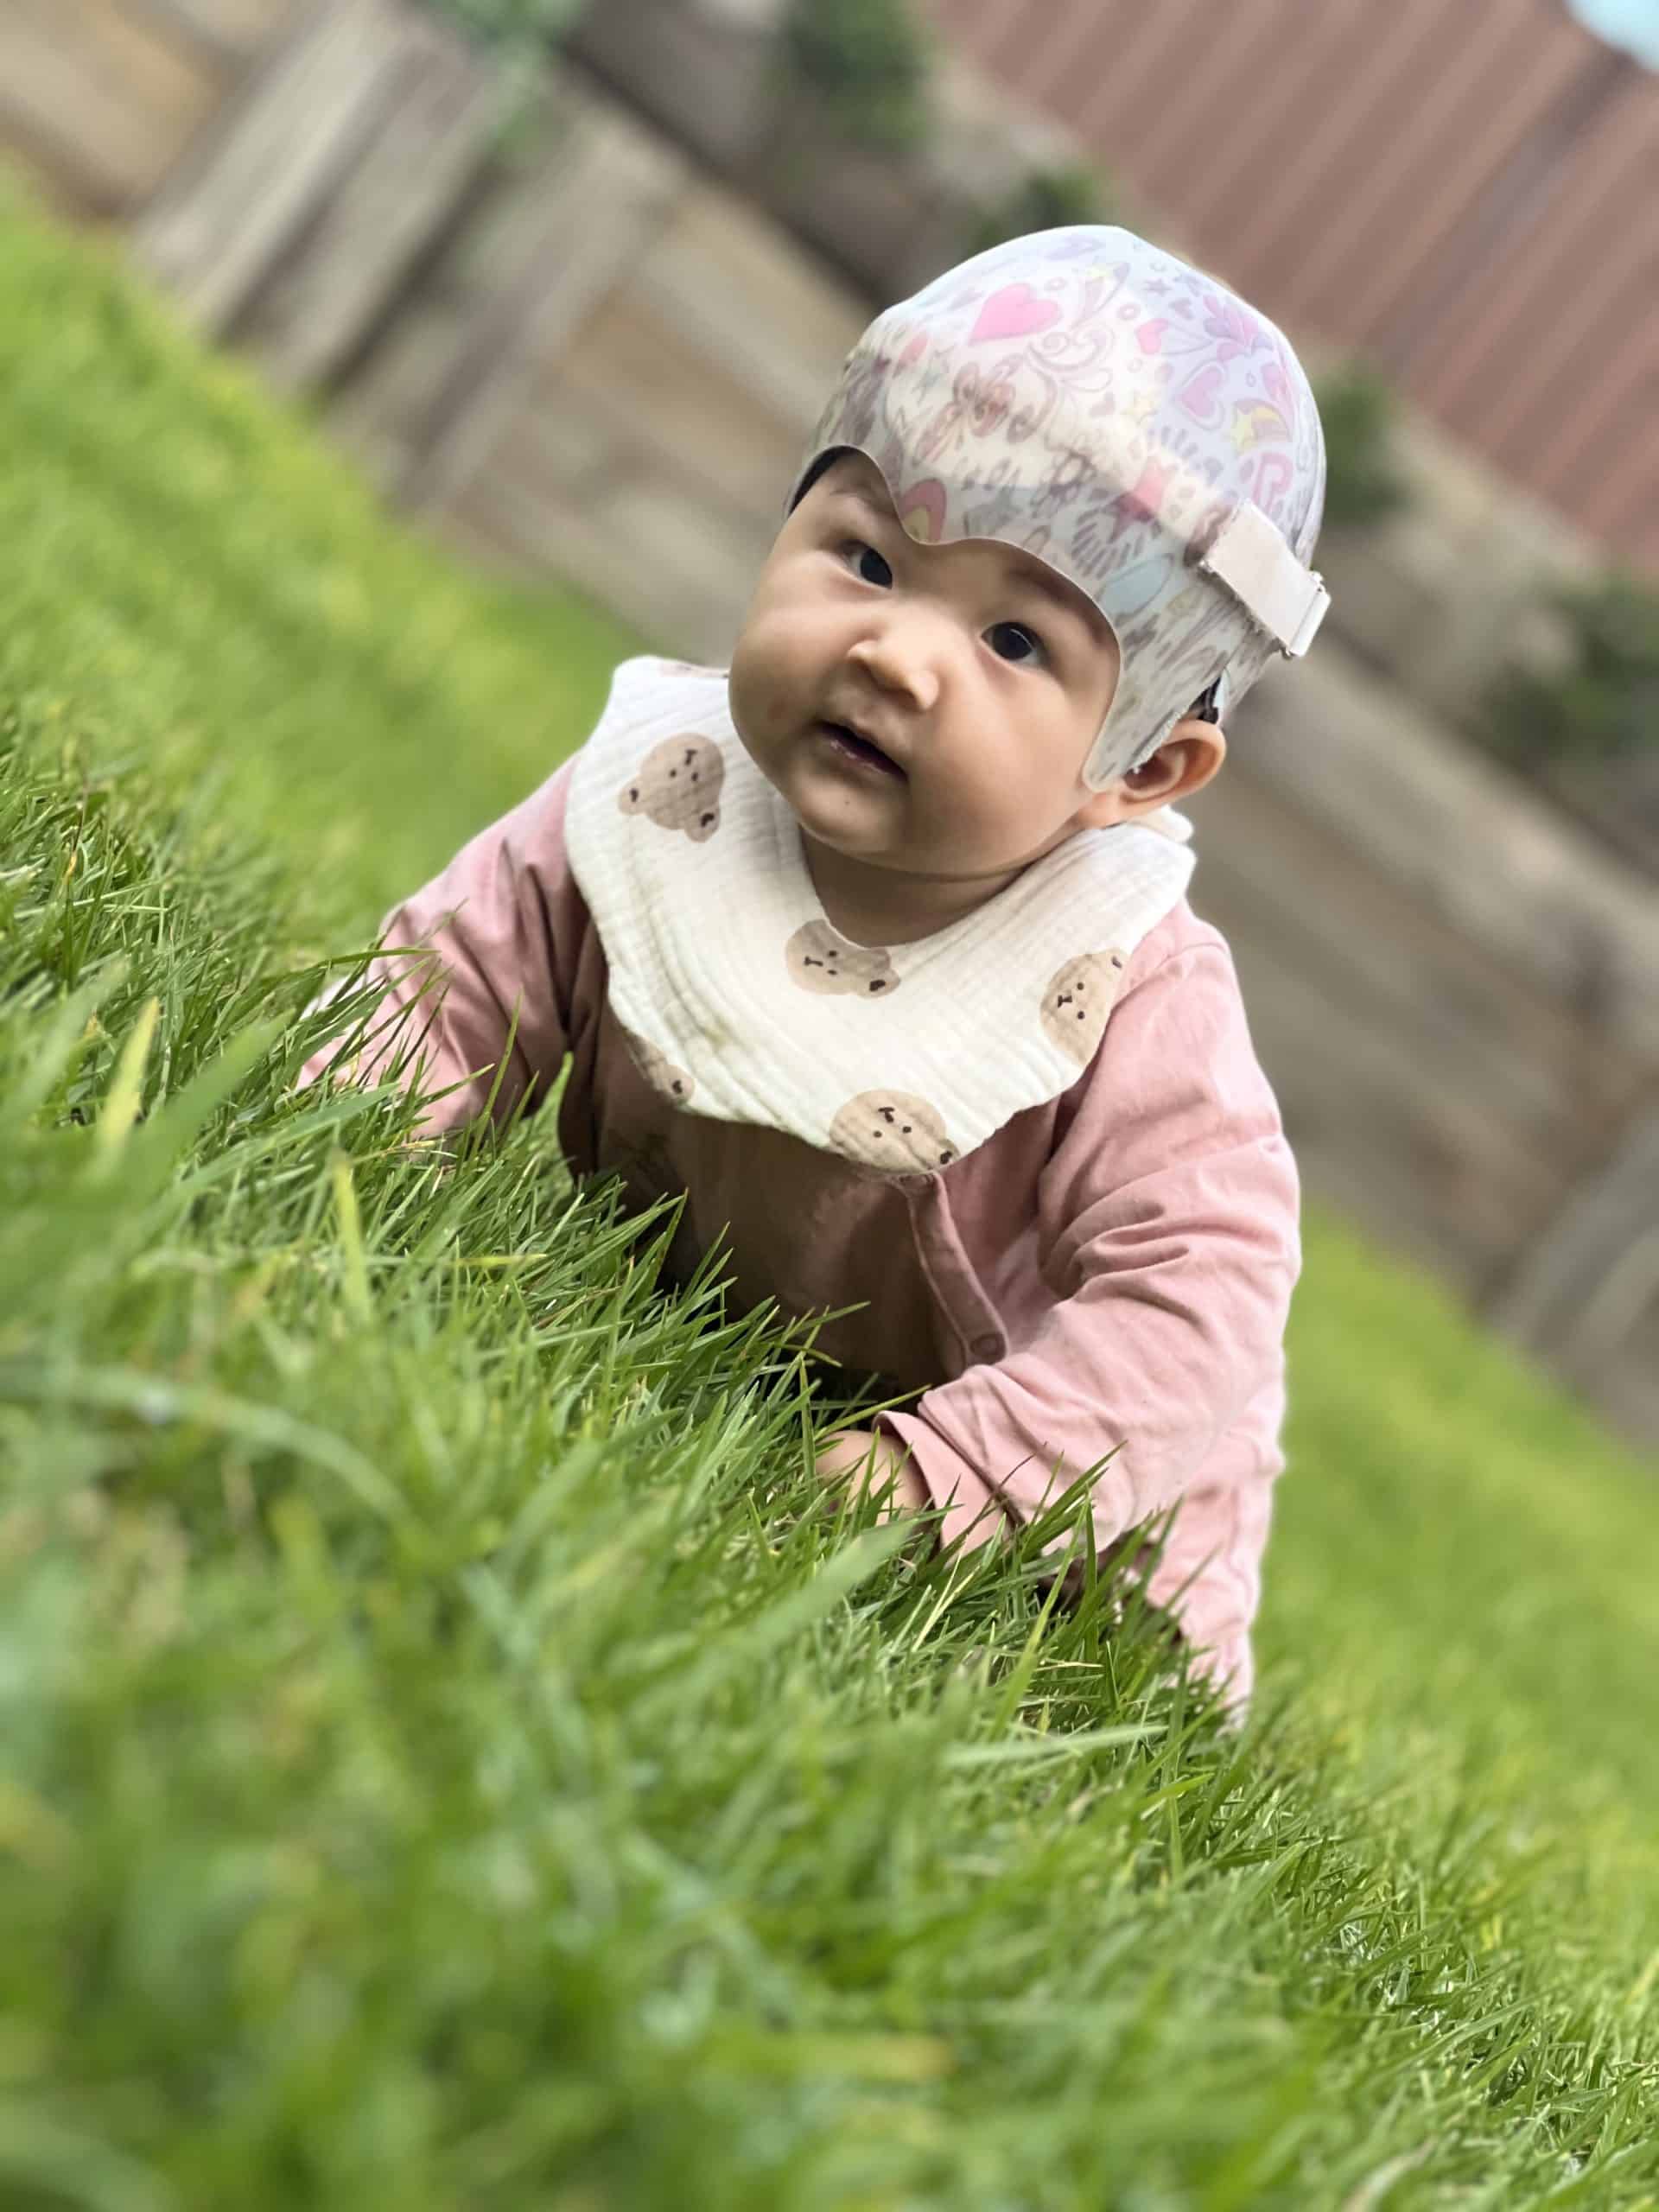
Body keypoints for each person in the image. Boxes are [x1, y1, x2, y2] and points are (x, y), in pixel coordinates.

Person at [300, 226, 1329, 1712]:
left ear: (1144, 763)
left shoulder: (1125, 990)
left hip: (1080, 1495)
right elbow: (451, 986)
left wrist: (953, 1476)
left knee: (1071, 1688)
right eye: (865, 557)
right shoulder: (668, 793)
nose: (898, 656)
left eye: (1016, 642)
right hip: (741, 1317)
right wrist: (352, 1137)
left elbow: (1202, 1303)